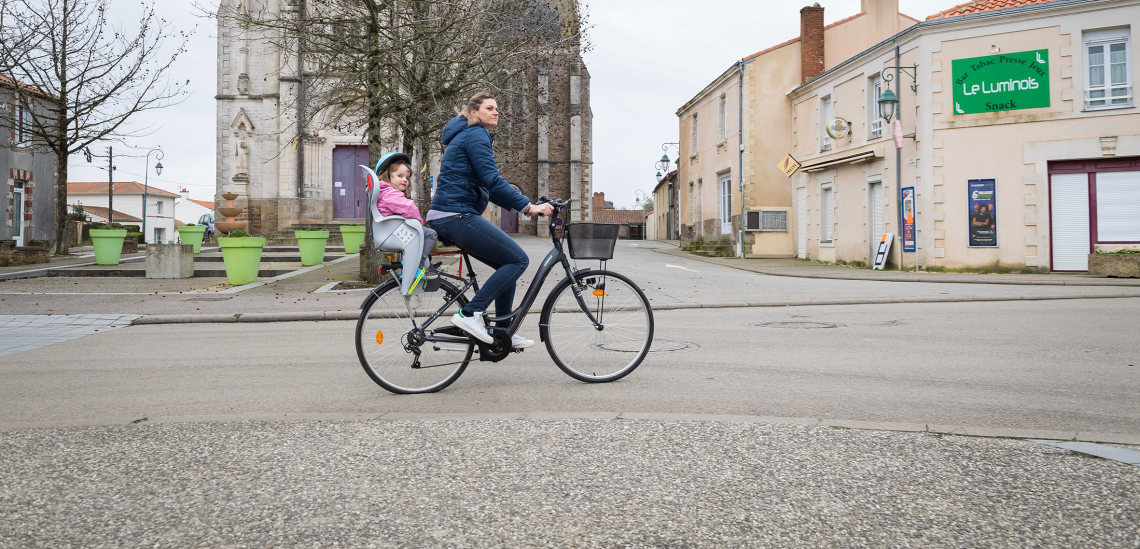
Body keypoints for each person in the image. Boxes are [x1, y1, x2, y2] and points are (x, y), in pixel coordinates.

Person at [428, 92, 554, 348]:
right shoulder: (475, 134)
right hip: (456, 214)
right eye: (489, 108)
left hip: (452, 214)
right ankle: (469, 314)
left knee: (506, 264)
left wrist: (526, 208)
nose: (496, 112)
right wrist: (530, 206)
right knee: (519, 259)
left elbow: (491, 189)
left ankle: (501, 334)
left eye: (497, 108)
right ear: (473, 111)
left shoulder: (467, 134)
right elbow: (493, 180)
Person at [373, 152, 437, 271]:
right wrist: (419, 222)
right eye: (400, 176)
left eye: (407, 177)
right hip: (394, 231)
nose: (405, 180)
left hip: (392, 230)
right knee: (431, 234)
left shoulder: (383, 192)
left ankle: (414, 258)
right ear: (387, 175)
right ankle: (420, 261)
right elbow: (409, 208)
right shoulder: (390, 193)